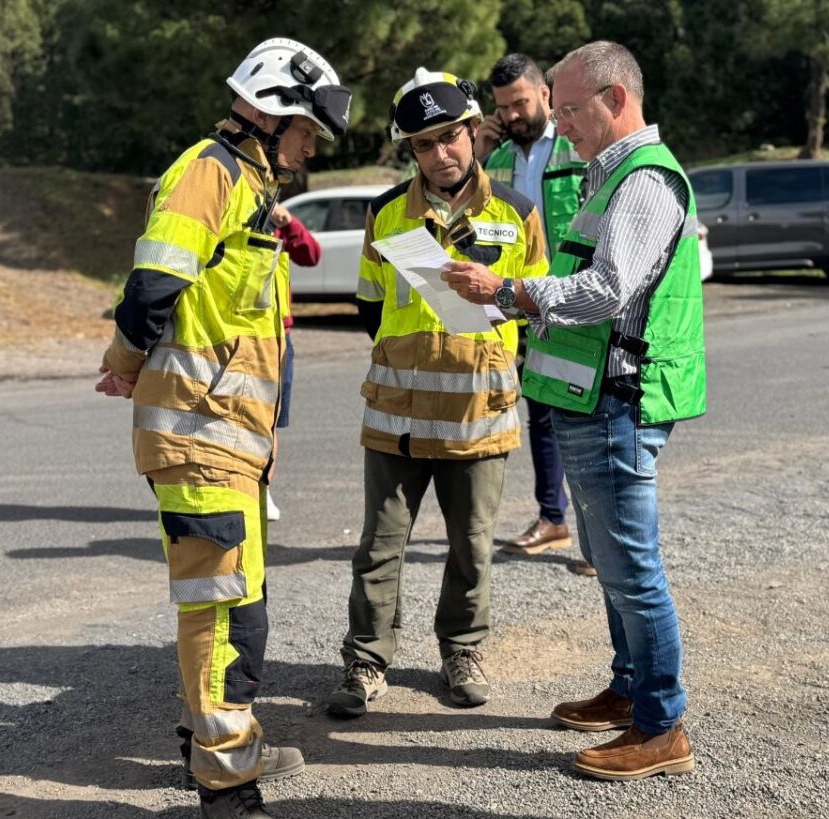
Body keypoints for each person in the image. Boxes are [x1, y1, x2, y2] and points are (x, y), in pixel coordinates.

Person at [96, 37, 350, 819]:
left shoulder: (247, 184)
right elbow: (150, 290)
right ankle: (228, 785)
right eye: (307, 131)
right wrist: (126, 360)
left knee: (234, 598)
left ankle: (211, 747)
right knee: (228, 613)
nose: (310, 148)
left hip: (230, 439)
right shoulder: (209, 173)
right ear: (272, 113)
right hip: (199, 433)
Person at [441, 41, 705, 781]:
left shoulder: (644, 180)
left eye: (569, 109)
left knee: (632, 569)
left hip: (618, 404)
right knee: (614, 565)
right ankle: (629, 692)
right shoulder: (607, 174)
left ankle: (662, 725)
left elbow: (606, 288)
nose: (559, 125)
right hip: (591, 402)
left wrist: (509, 292)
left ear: (616, 99)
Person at [327, 68, 549, 718]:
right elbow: (370, 304)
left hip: (479, 414)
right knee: (378, 545)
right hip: (396, 413)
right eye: (424, 144)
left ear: (475, 133)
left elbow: (535, 306)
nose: (440, 153)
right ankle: (366, 661)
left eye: (450, 137)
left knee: (472, 545)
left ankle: (461, 650)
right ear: (411, 150)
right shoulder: (387, 214)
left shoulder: (518, 212)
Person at [474, 53, 589, 563]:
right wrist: (478, 147)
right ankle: (553, 518)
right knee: (541, 414)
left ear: (546, 93)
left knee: (584, 417)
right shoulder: (496, 160)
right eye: (503, 107)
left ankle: (596, 538)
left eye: (520, 102)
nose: (513, 115)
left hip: (577, 302)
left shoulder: (578, 147)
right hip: (521, 307)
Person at [266, 202, 322, 522]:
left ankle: (263, 490)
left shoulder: (275, 221)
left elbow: (311, 255)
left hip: (277, 335)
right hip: (238, 332)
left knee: (271, 421)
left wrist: (288, 223)